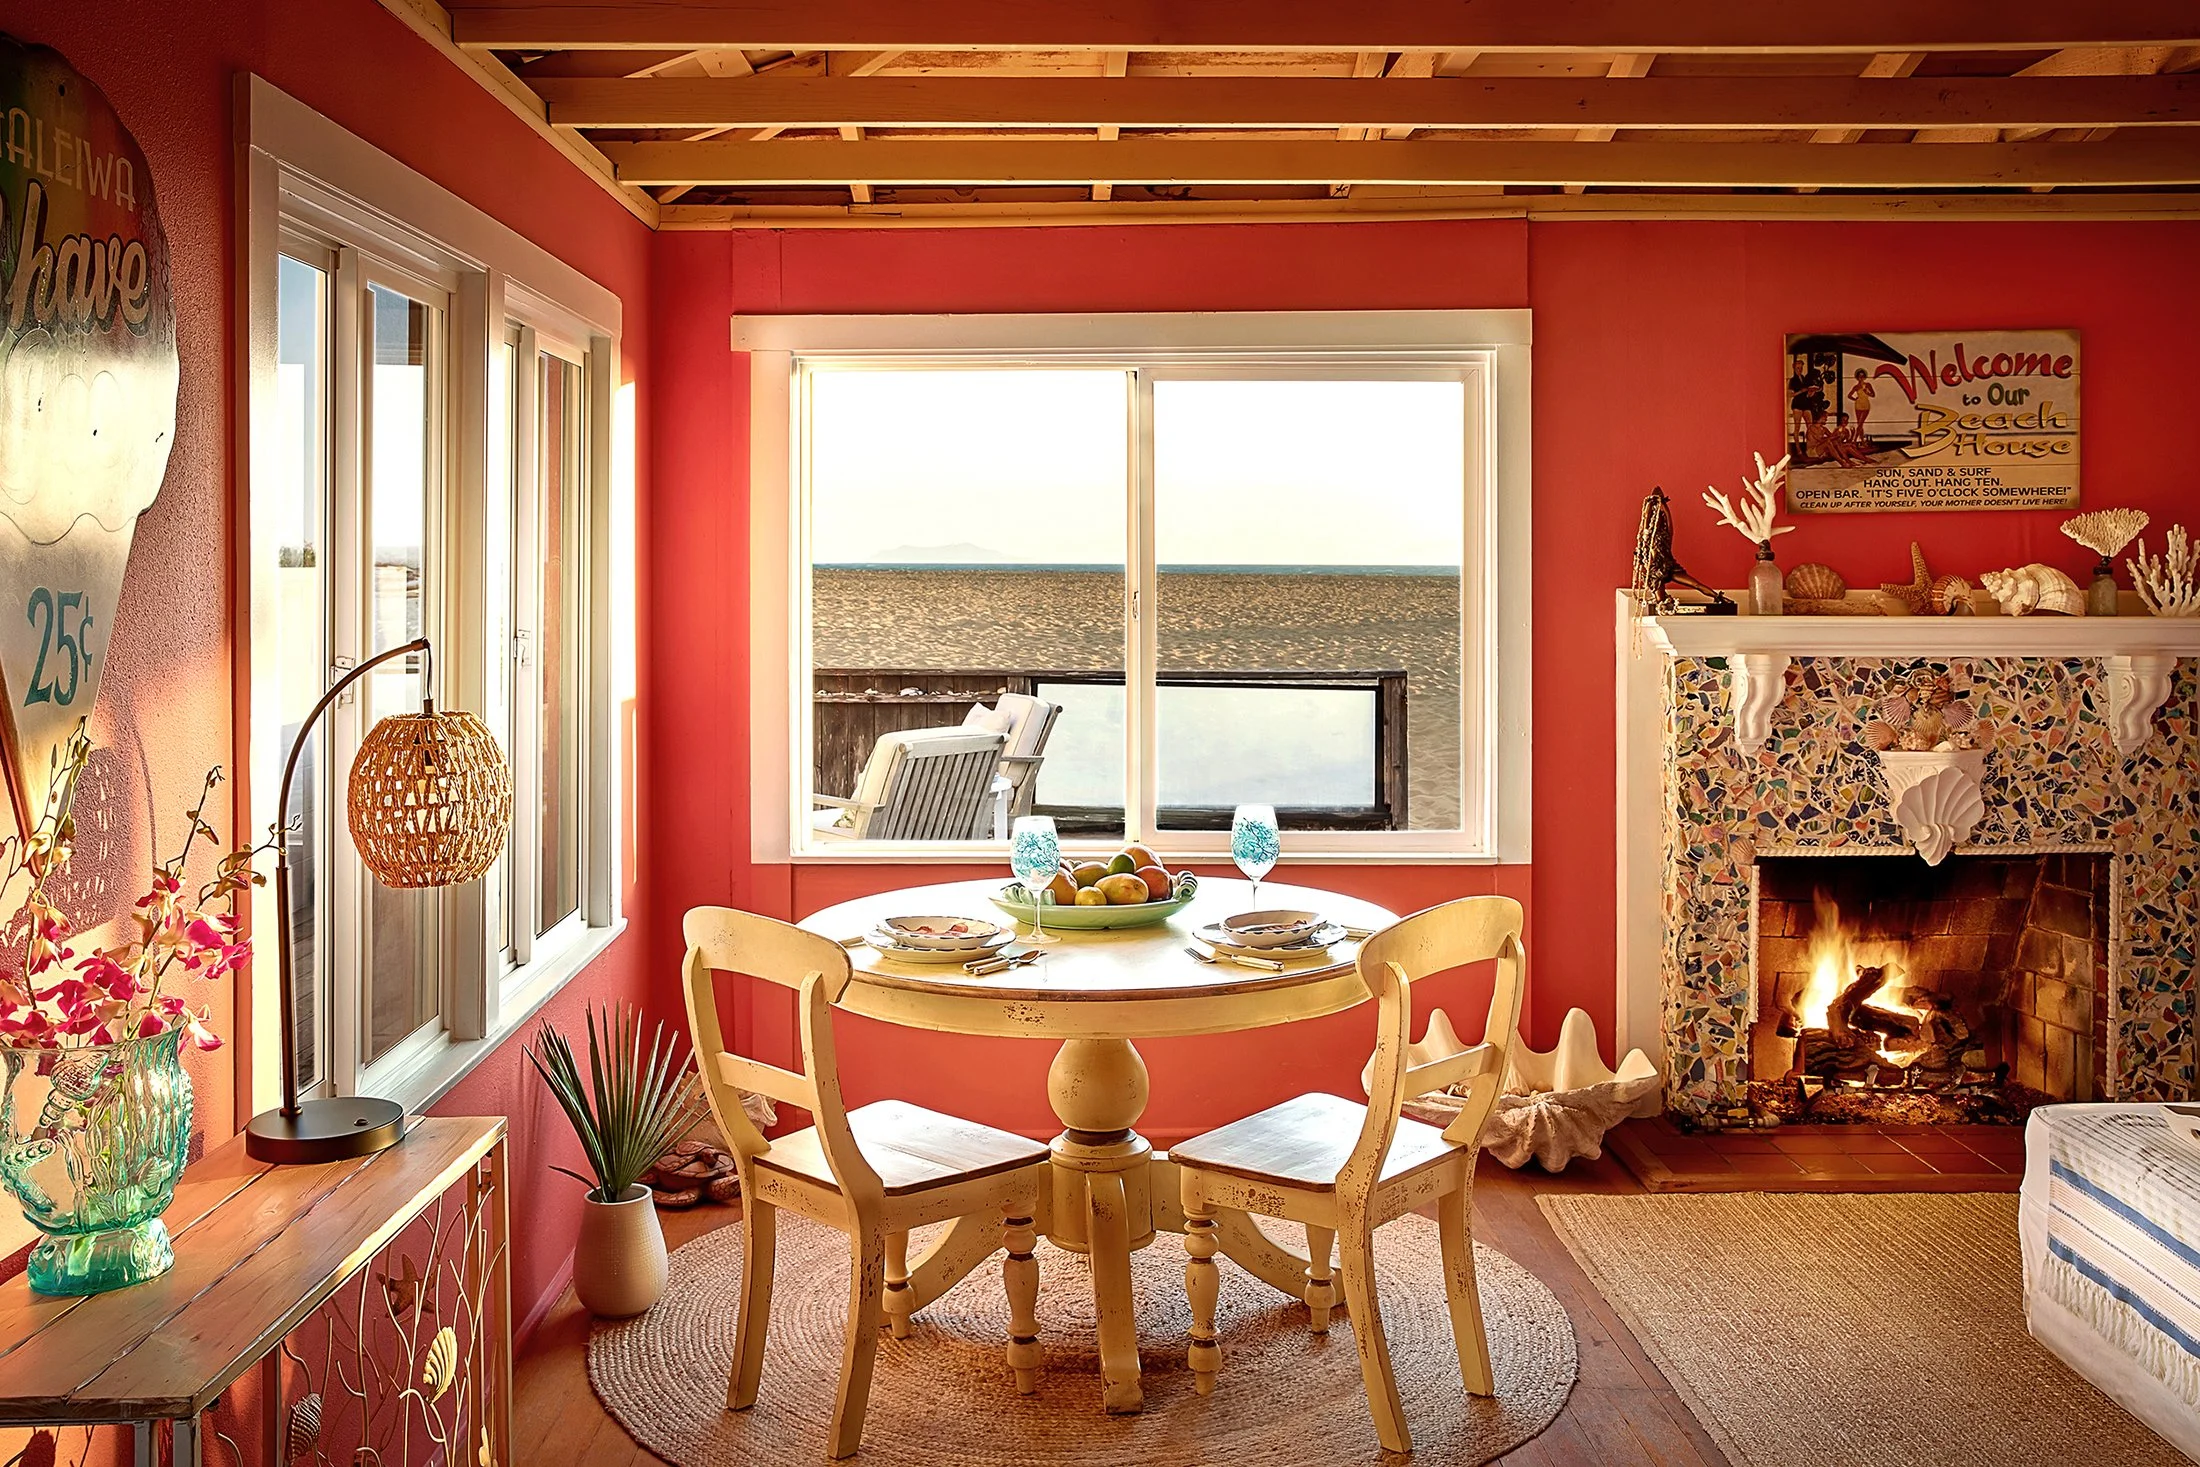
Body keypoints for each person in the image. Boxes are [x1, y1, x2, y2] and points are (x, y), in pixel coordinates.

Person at [1848, 368, 1875, 441]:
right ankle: (1862, 441)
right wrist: (1855, 399)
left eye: (1863, 376)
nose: (1861, 378)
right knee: (1860, 424)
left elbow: (1873, 395)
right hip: (1858, 405)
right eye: (1860, 376)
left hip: (1866, 405)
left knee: (1860, 423)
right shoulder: (1856, 387)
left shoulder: (1868, 385)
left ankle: (1854, 439)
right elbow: (1849, 395)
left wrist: (1867, 392)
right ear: (1857, 377)